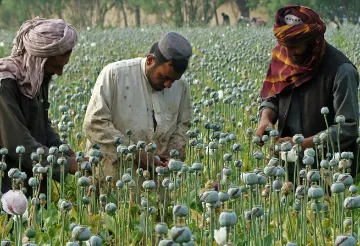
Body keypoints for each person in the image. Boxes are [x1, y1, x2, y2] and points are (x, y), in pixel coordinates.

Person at [255, 5, 359, 175]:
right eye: (285, 45)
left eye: (295, 46)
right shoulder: (284, 58)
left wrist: (303, 144)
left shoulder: (342, 71)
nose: (289, 52)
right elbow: (271, 98)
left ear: (312, 41)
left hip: (328, 172)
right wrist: (265, 118)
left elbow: (348, 128)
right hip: (284, 169)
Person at [83, 32, 192, 188]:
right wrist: (134, 153)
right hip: (113, 178)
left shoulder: (181, 86)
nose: (168, 85)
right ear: (150, 60)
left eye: (173, 80)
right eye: (164, 77)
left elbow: (183, 126)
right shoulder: (115, 74)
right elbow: (94, 123)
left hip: (158, 180)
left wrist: (171, 157)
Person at [0, 17, 79, 195]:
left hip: (34, 181)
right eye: (55, 66)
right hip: (9, 185)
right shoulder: (5, 84)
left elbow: (42, 128)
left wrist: (68, 153)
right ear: (39, 60)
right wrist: (67, 165)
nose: (59, 72)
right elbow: (18, 143)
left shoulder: (33, 79)